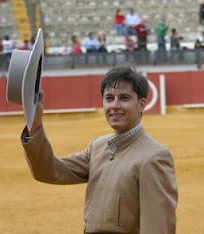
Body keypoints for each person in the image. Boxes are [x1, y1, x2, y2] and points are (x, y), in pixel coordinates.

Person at [20, 65, 178, 234]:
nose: (115, 105)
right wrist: (35, 125)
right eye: (109, 98)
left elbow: (157, 227)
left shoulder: (155, 157)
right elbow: (48, 170)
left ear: (141, 104)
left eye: (124, 98)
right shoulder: (98, 146)